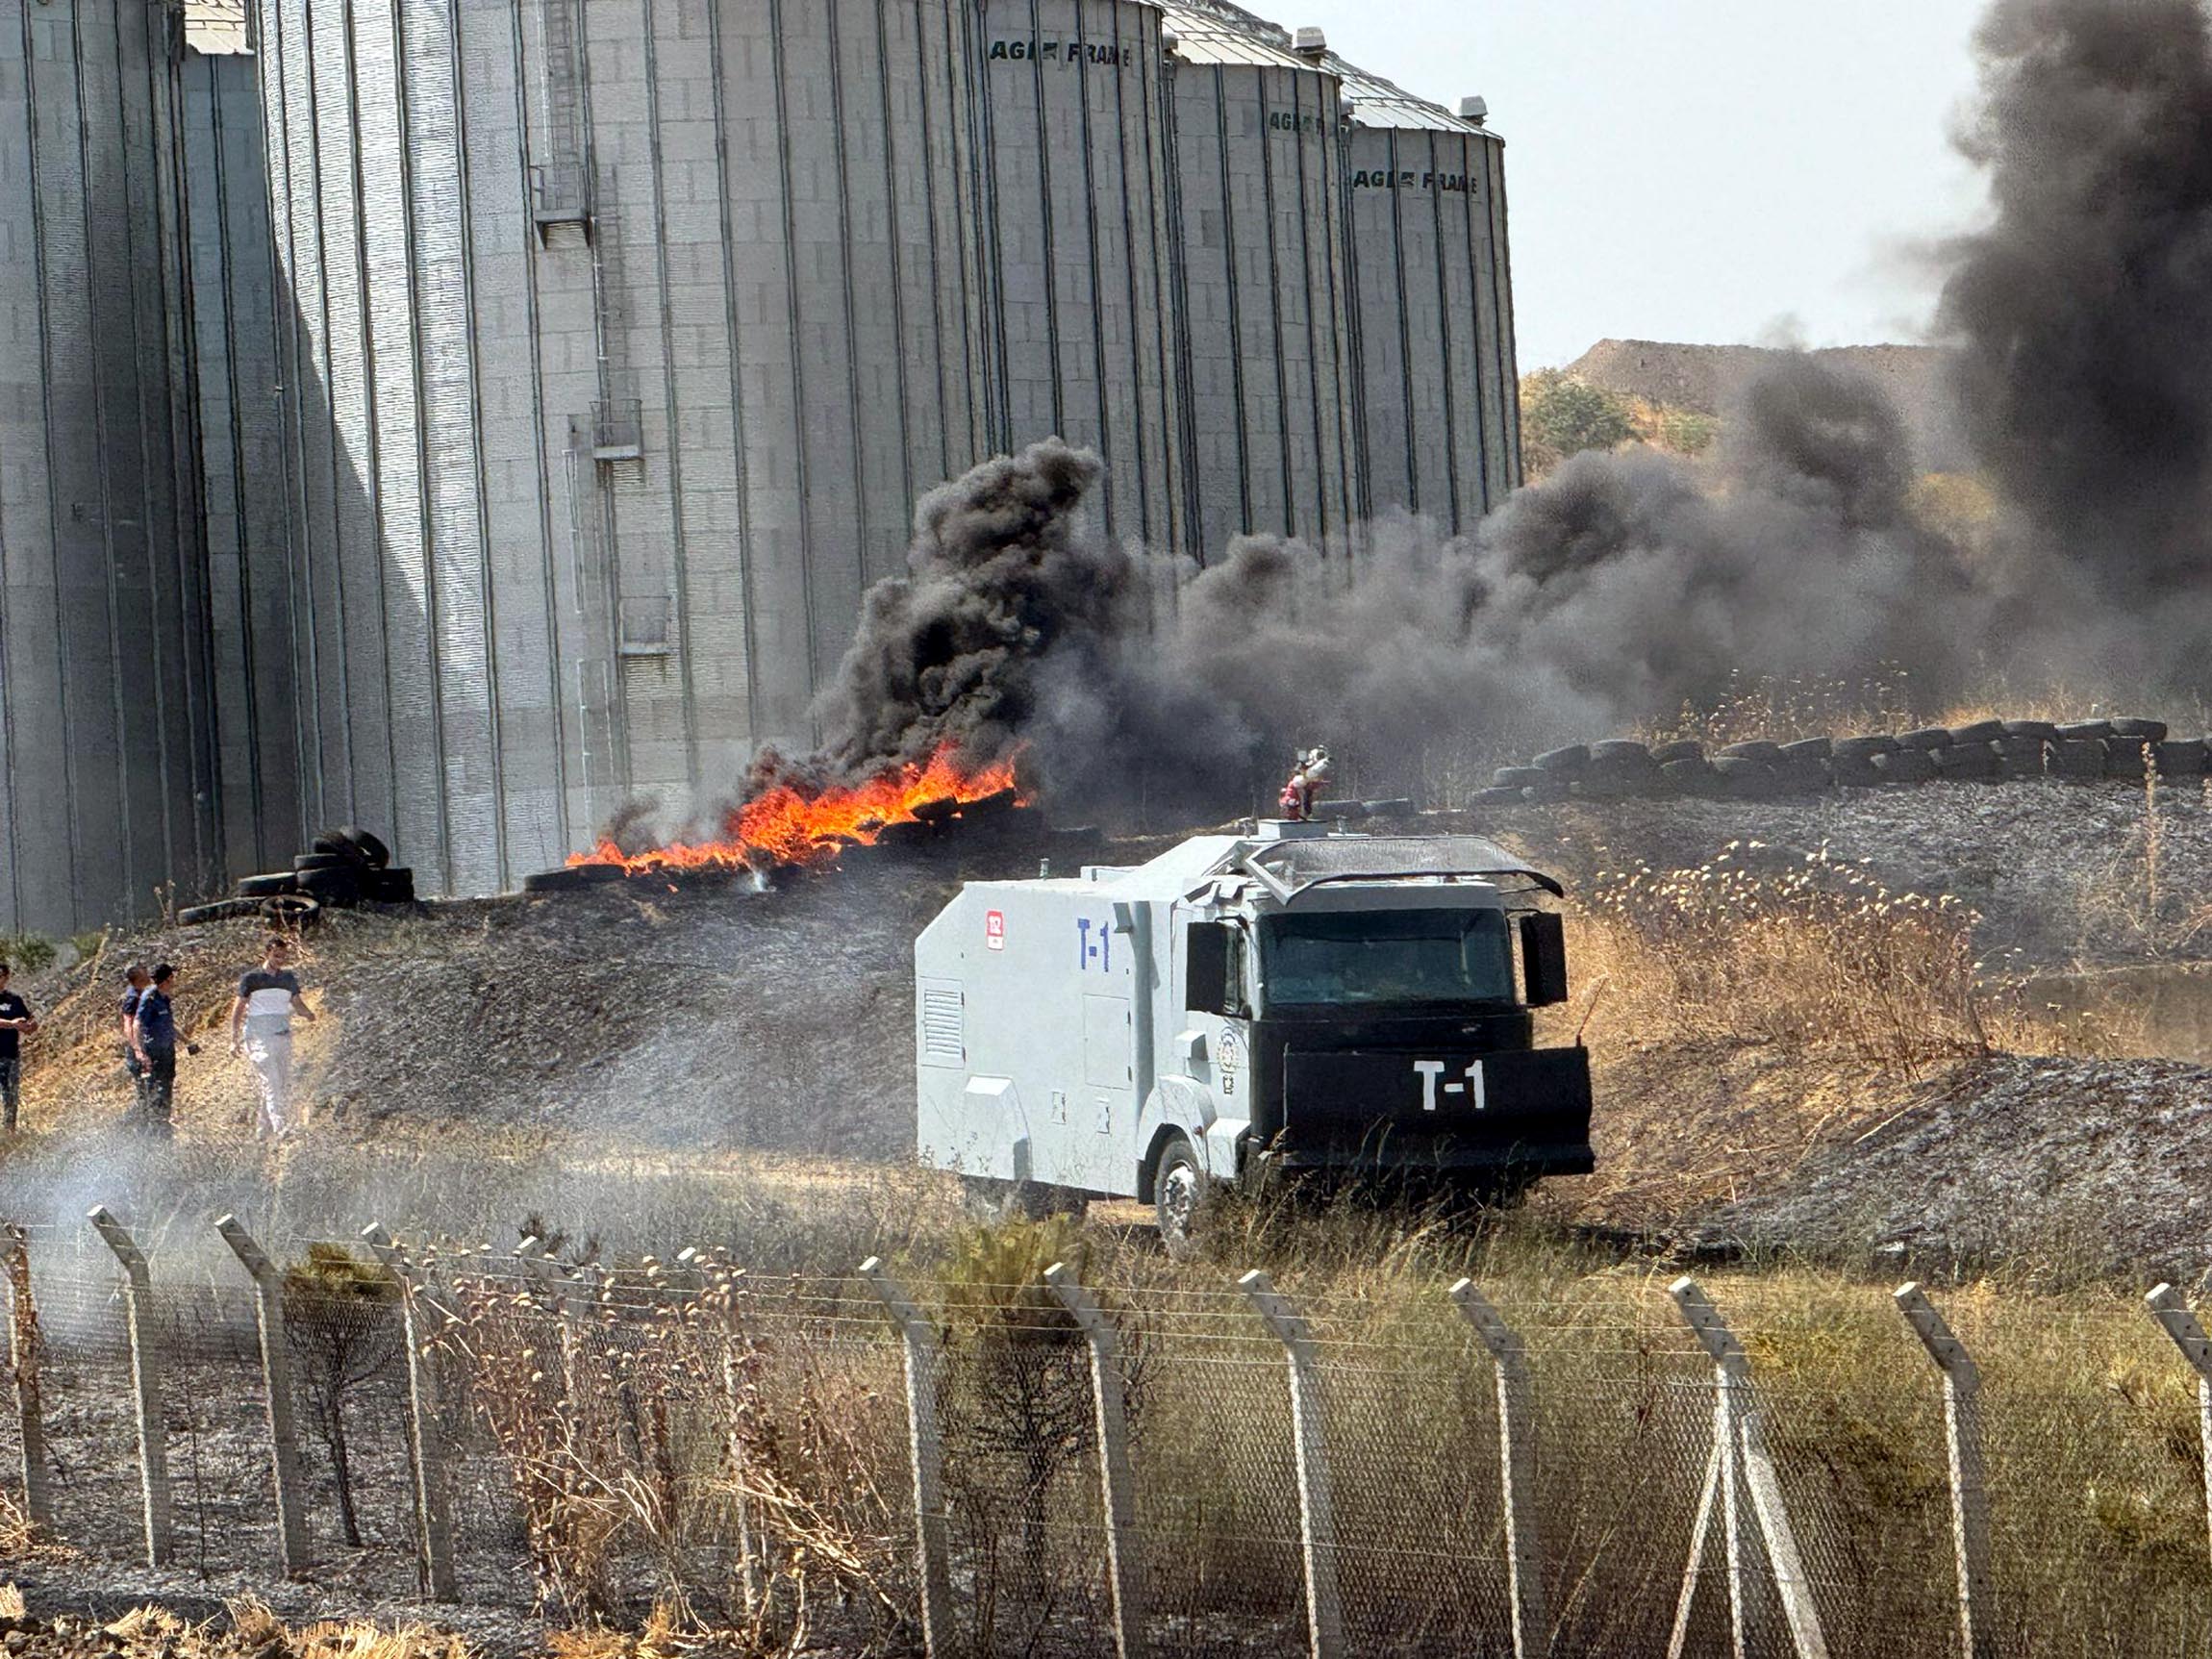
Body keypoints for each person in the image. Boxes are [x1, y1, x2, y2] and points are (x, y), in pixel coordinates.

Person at [229, 937, 316, 1140]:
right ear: (267, 953)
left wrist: (309, 1014)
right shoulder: (251, 979)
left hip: (282, 1036)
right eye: (276, 956)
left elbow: (297, 1003)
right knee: (272, 1081)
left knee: (280, 1082)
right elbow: (238, 1009)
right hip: (258, 1036)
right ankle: (281, 1127)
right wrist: (233, 1039)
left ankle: (262, 1129)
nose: (280, 960)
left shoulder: (288, 979)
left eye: (283, 957)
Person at [132, 964, 184, 1139]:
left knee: (167, 1084)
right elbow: (137, 1024)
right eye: (172, 977)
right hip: (154, 1050)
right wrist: (139, 1051)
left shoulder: (164, 998)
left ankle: (164, 1124)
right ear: (167, 979)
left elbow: (169, 1025)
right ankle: (154, 1129)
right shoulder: (150, 998)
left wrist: (187, 1042)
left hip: (167, 1049)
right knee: (156, 1088)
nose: (174, 981)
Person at [0, 963, 37, 1133]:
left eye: (1, 976)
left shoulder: (14, 1000)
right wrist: (12, 1024)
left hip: (10, 1054)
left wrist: (30, 1025)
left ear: (6, 977)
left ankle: (9, 1130)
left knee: (11, 1093)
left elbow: (29, 1018)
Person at [118, 965, 150, 1120]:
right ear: (137, 980)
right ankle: (130, 1125)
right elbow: (128, 1026)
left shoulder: (142, 994)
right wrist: (137, 1049)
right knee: (145, 1091)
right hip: (138, 1052)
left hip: (148, 1047)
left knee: (151, 1088)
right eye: (144, 976)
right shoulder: (132, 998)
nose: (148, 977)